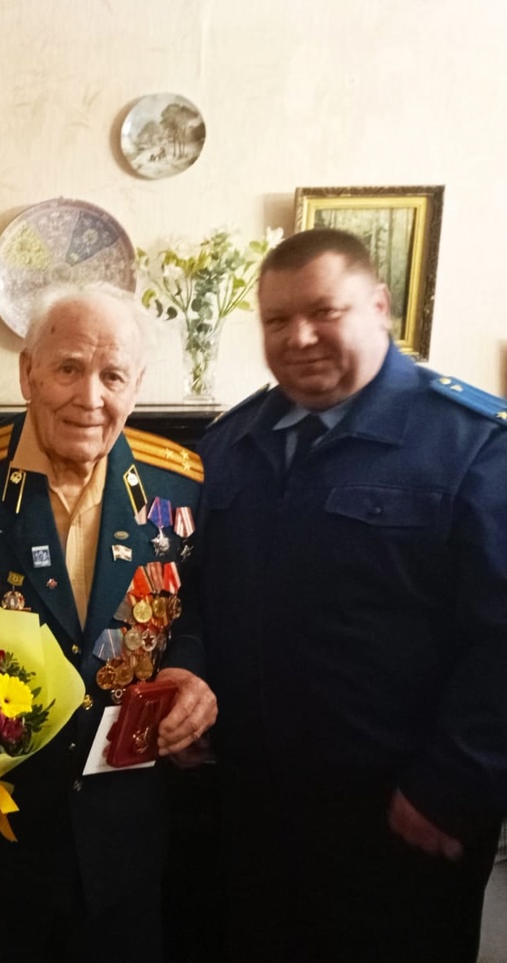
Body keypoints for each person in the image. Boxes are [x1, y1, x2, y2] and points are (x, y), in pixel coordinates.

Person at [185, 228, 507, 962]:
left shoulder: (472, 446)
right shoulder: (229, 445)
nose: (298, 337)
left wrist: (452, 784)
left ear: (380, 307)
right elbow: (189, 591)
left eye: (324, 311)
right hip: (254, 814)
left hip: (402, 817)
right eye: (276, 319)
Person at [0, 283, 218, 961]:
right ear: (27, 372)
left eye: (113, 375)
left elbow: (196, 608)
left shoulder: (181, 483)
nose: (90, 397)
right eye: (68, 368)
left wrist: (190, 669)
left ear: (137, 386)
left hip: (125, 836)